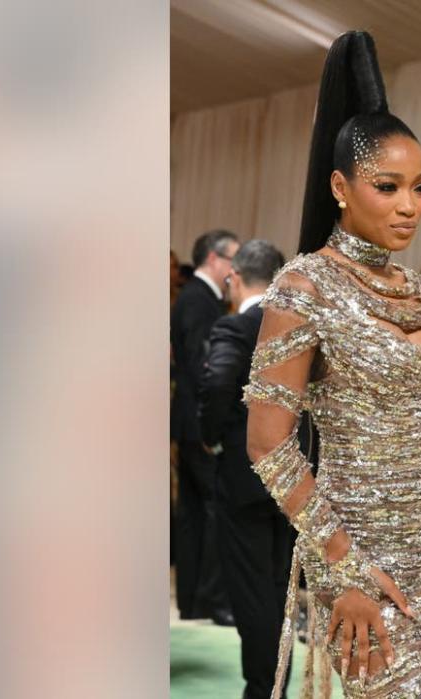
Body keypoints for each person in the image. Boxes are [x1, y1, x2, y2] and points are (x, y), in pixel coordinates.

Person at [243, 30, 421, 698]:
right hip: (361, 557)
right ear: (340, 186)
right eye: (388, 187)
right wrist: (341, 564)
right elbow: (269, 443)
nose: (410, 205)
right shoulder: (304, 286)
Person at [199, 240, 295, 699]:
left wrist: (212, 433)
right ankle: (276, 682)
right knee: (279, 588)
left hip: (244, 473)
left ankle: (262, 689)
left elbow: (217, 381)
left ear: (234, 277)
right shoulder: (299, 328)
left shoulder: (235, 327)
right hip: (296, 476)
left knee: (252, 591)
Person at [171, 229, 239, 625]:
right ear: (214, 259)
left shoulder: (196, 299)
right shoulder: (201, 301)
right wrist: (213, 423)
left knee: (195, 512)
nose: (235, 270)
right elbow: (203, 369)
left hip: (187, 420)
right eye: (232, 259)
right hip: (199, 423)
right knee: (212, 509)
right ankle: (212, 600)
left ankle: (195, 600)